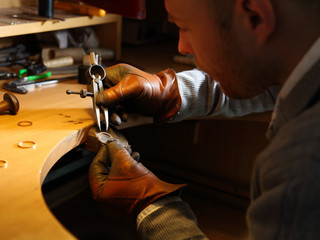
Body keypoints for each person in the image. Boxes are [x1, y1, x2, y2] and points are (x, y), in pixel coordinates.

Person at [88, 0, 320, 239]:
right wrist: (171, 92)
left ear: (255, 18)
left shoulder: (303, 166)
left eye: (184, 26)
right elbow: (269, 83)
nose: (182, 47)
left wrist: (153, 206)